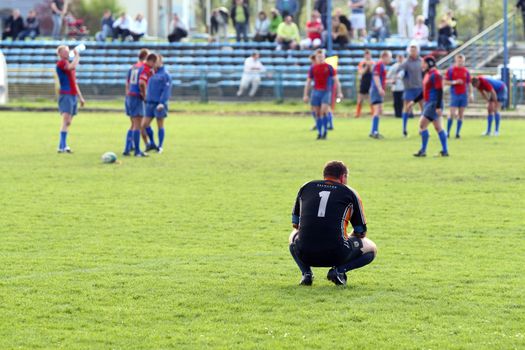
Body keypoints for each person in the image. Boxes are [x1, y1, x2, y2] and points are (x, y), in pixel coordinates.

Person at [289, 160, 377, 286]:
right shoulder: (349, 192)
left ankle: (306, 274)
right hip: (337, 254)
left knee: (293, 235)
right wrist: (350, 236)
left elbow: (296, 224)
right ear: (343, 176)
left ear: (324, 175)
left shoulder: (306, 187)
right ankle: (339, 271)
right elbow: (361, 231)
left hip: (305, 253)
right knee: (371, 248)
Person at [413, 55, 449, 157]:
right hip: (430, 103)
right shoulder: (428, 74)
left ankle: (423, 150)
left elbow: (439, 90)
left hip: (433, 103)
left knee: (422, 125)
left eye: (423, 63)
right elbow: (424, 91)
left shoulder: (436, 75)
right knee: (438, 127)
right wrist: (414, 101)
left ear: (429, 63)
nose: (422, 65)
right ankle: (445, 151)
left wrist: (438, 106)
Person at [303, 50, 342, 140]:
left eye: (322, 56)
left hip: (326, 92)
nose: (320, 58)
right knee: (317, 113)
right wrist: (305, 94)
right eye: (319, 57)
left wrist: (339, 92)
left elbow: (336, 80)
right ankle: (320, 133)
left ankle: (325, 132)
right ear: (316, 58)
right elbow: (308, 82)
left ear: (324, 57)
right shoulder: (313, 68)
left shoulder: (329, 67)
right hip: (316, 92)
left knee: (323, 111)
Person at [55, 45, 85, 153]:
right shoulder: (62, 63)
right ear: (60, 54)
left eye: (68, 51)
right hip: (66, 94)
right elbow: (71, 67)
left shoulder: (68, 65)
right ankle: (63, 146)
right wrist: (77, 56)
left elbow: (74, 82)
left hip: (72, 95)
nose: (67, 53)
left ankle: (62, 145)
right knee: (66, 120)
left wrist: (80, 97)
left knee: (68, 122)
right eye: (65, 52)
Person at [123, 49, 149, 157]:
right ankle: (137, 150)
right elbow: (141, 83)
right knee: (137, 124)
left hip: (129, 96)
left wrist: (128, 95)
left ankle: (127, 148)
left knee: (133, 124)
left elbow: (127, 83)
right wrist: (144, 95)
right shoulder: (143, 68)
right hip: (137, 97)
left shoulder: (133, 67)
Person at [144, 55, 172, 154]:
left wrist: (162, 103)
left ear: (160, 62)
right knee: (145, 124)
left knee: (160, 125)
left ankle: (160, 146)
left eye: (156, 61)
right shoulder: (151, 73)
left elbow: (166, 90)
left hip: (158, 104)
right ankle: (152, 143)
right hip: (150, 103)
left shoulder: (165, 74)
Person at [397, 43, 423, 137]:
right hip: (409, 88)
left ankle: (422, 128)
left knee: (423, 108)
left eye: (414, 50)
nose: (413, 52)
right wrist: (401, 74)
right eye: (411, 50)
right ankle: (404, 129)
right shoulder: (406, 62)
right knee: (407, 108)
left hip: (420, 88)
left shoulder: (421, 61)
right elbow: (399, 71)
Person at [444, 54, 472, 139]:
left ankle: (457, 133)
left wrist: (470, 94)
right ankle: (448, 132)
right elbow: (445, 81)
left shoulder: (466, 71)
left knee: (461, 114)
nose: (460, 62)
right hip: (454, 94)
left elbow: (469, 83)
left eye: (462, 61)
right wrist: (454, 82)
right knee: (452, 113)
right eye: (459, 61)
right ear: (456, 61)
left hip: (463, 94)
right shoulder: (451, 70)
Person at [369, 50, 392, 139]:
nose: (390, 59)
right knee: (377, 110)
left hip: (376, 89)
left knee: (379, 110)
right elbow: (376, 77)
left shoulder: (381, 65)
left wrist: (390, 81)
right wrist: (379, 88)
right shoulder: (379, 65)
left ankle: (374, 130)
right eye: (389, 57)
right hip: (376, 90)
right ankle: (374, 131)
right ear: (385, 57)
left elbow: (380, 78)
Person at [139, 54, 158, 152]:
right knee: (142, 124)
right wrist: (145, 94)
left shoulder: (148, 69)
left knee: (142, 124)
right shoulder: (146, 69)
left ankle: (150, 144)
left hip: (150, 100)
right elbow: (142, 82)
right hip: (148, 99)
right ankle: (149, 144)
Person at [355, 50, 374, 118]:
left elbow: (373, 72)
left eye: (368, 55)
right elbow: (361, 72)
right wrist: (366, 67)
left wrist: (370, 66)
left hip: (371, 82)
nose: (367, 56)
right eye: (366, 55)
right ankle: (357, 113)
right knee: (360, 99)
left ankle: (373, 113)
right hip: (363, 82)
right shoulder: (362, 63)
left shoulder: (373, 63)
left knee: (371, 99)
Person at [388, 54, 405, 118]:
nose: (400, 59)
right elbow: (388, 76)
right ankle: (397, 115)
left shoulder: (405, 66)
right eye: (399, 57)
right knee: (396, 102)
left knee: (402, 102)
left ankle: (402, 114)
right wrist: (391, 82)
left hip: (403, 87)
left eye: (401, 57)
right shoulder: (393, 67)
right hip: (395, 87)